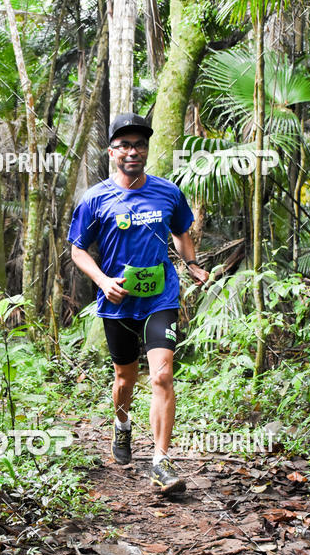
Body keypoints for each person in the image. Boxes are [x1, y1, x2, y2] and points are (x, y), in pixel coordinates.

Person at [68, 112, 209, 495]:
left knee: (162, 375)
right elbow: (78, 249)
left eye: (139, 145)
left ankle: (161, 461)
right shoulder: (95, 199)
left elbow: (181, 231)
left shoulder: (167, 192)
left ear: (146, 150)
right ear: (112, 152)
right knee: (124, 379)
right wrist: (101, 280)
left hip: (160, 297)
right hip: (118, 303)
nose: (133, 151)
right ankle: (122, 425)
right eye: (125, 145)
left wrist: (192, 263)